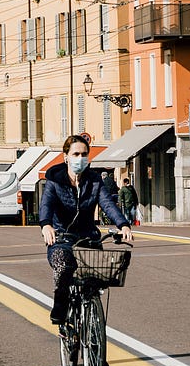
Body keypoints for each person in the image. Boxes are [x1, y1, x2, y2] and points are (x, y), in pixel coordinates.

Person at [39, 134, 132, 324]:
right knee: (64, 266)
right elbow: (46, 204)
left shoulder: (94, 180)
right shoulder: (55, 179)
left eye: (83, 154)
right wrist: (46, 225)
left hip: (88, 237)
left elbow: (107, 204)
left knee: (95, 277)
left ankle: (91, 320)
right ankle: (60, 307)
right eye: (75, 154)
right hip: (61, 238)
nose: (80, 158)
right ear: (66, 156)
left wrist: (123, 224)